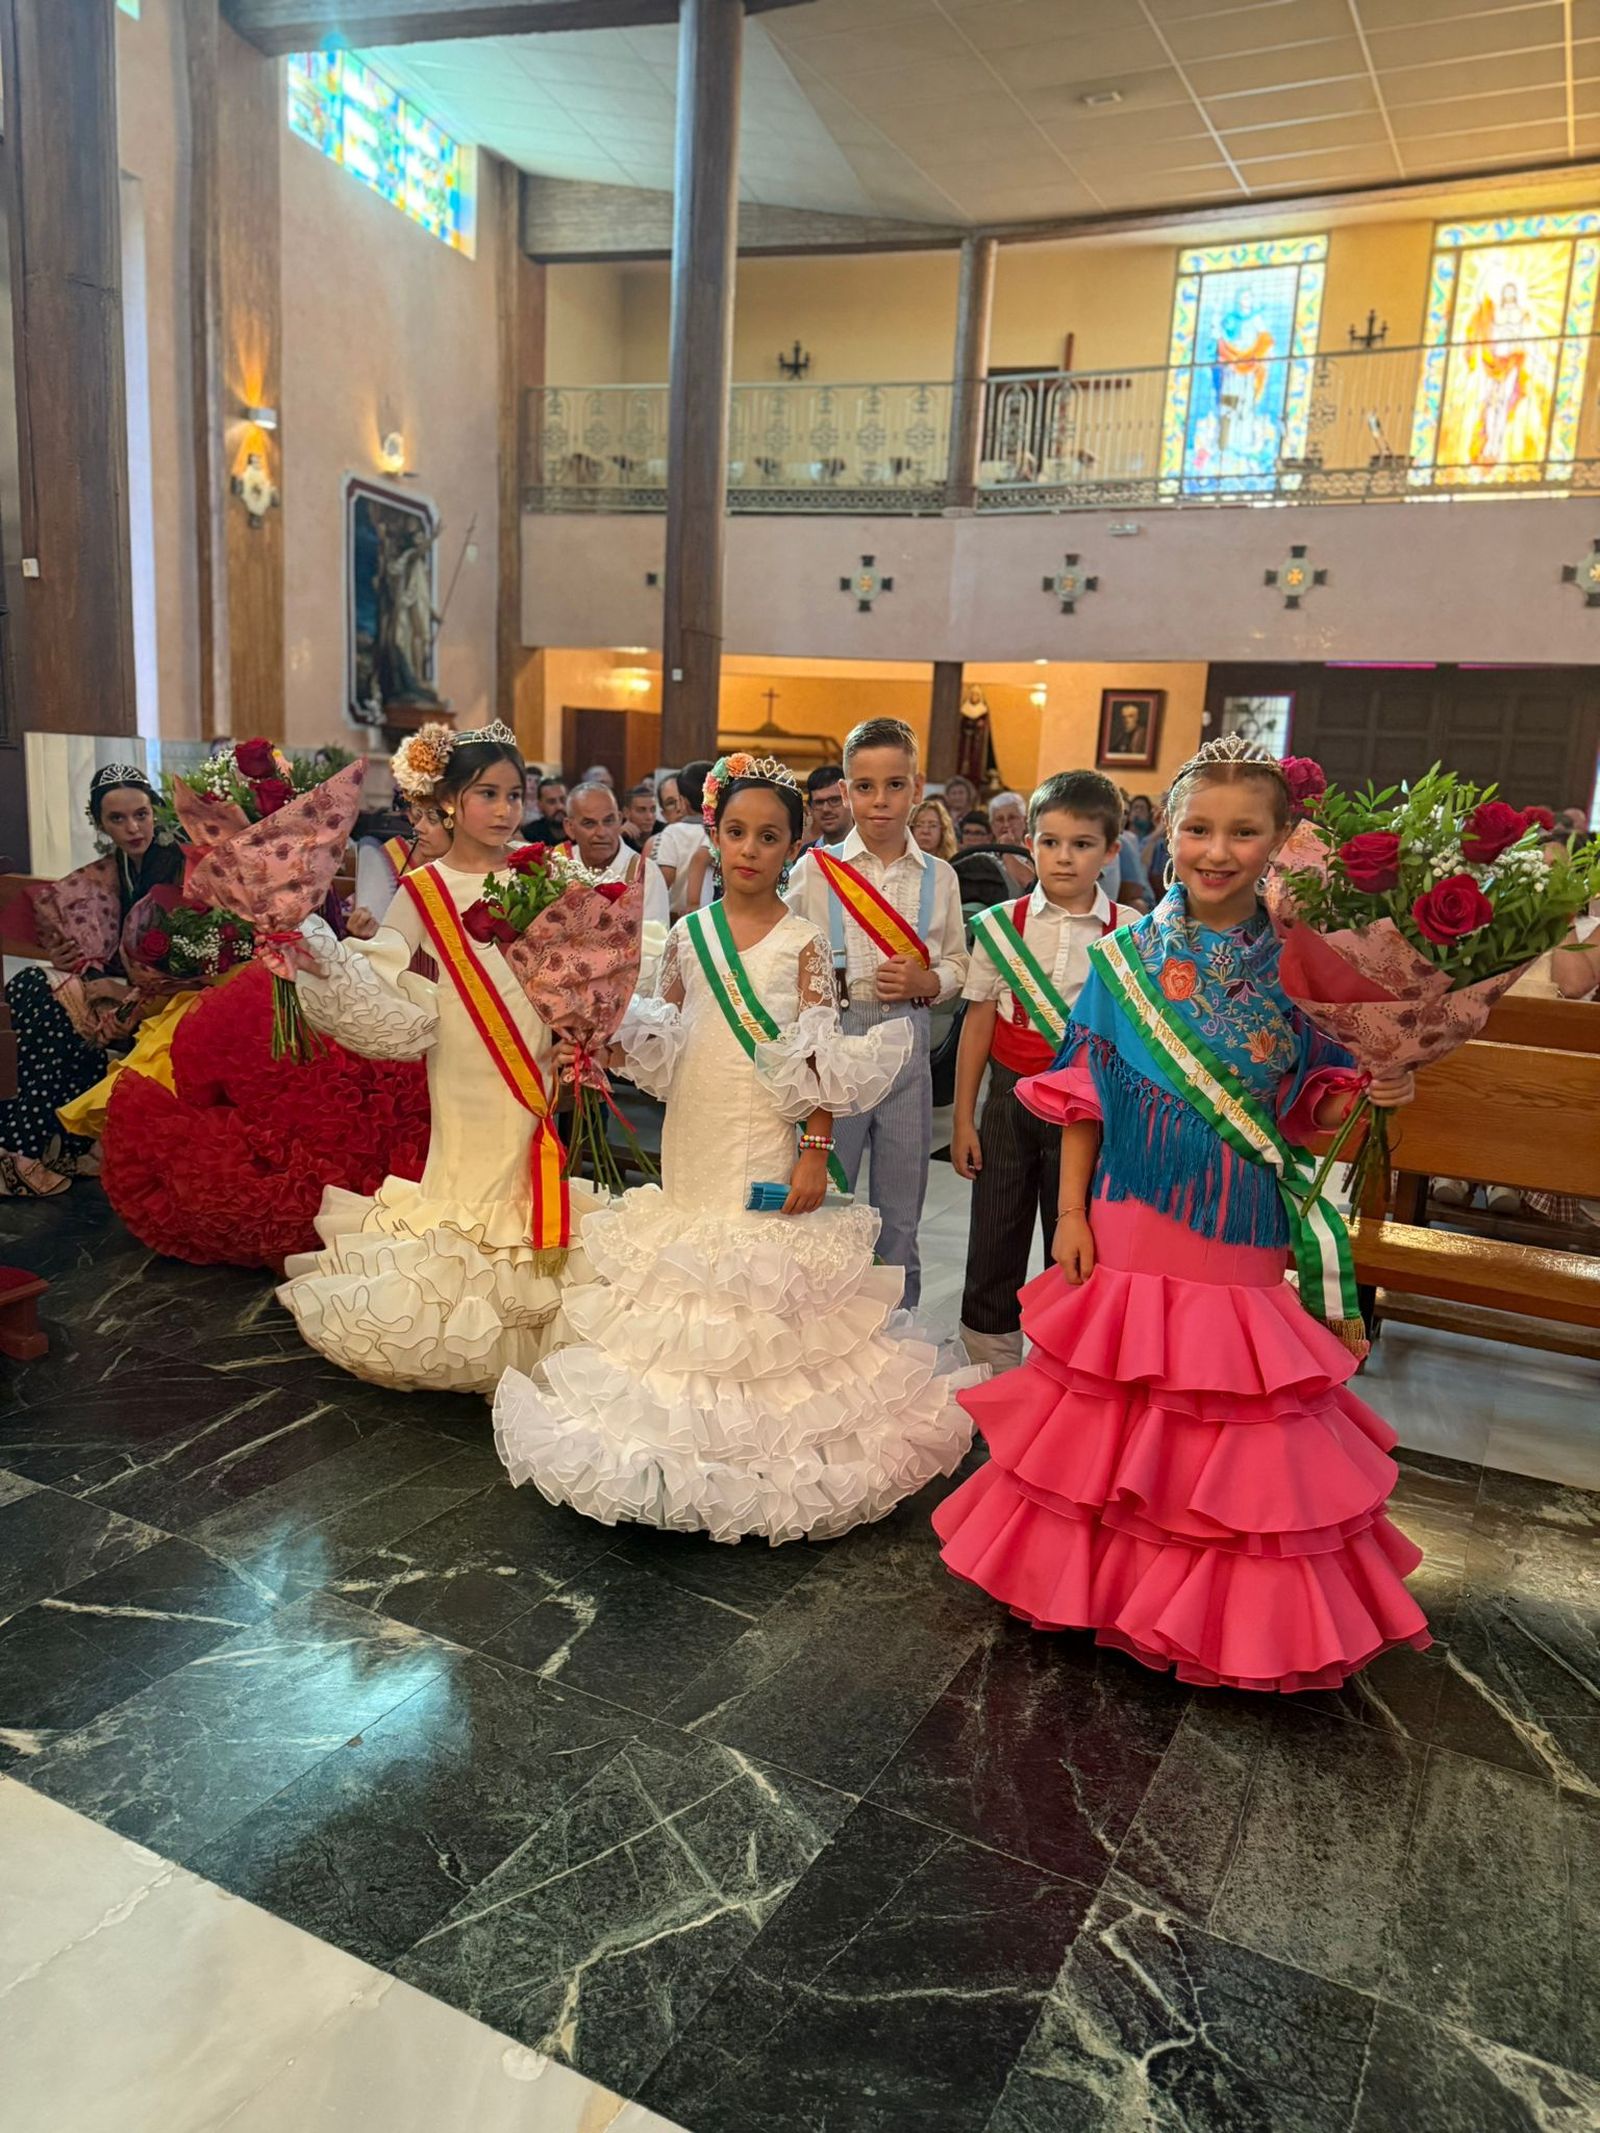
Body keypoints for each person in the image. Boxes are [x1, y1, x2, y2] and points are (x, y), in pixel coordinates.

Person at [934, 735, 1431, 1692]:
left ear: (1280, 840)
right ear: (1166, 831)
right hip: (1130, 1208)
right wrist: (1070, 1212)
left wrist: (1376, 1083)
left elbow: (1312, 1108)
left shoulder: (1305, 965)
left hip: (1241, 1215)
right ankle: (1099, 1589)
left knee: (1227, 1403)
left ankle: (1220, 1616)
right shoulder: (1123, 959)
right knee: (1117, 1403)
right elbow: (1086, 1095)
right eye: (1199, 828)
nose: (1217, 850)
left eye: (1244, 832)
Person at [494, 757, 973, 1542]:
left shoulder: (805, 942)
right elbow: (667, 1035)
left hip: (765, 1131)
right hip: (695, 1122)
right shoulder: (689, 934)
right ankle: (672, 1447)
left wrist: (815, 1147)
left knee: (757, 1277)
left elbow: (818, 1055)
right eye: (737, 832)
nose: (750, 849)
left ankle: (762, 1457)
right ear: (713, 836)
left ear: (793, 848)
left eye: (770, 836)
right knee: (686, 1275)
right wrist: (600, 1035)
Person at [278, 722, 601, 1392]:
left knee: (523, 1166)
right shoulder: (425, 886)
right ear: (450, 800)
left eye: (514, 794)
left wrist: (579, 1020)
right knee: (468, 1173)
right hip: (462, 1051)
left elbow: (575, 965)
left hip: (533, 1047)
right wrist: (322, 959)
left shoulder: (543, 870)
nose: (505, 809)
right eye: (488, 793)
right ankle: (461, 1331)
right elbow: (385, 964)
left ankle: (533, 1314)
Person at [952, 771, 1140, 1373]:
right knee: (994, 1238)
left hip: (1088, 1112)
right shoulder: (1001, 924)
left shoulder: (1129, 931)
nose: (1064, 857)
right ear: (1029, 843)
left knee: (1078, 1243)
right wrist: (963, 1118)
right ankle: (989, 1369)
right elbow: (978, 1021)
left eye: (1082, 844)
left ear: (1110, 850)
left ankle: (1065, 1372)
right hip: (1009, 1101)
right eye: (1051, 842)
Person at [785, 718, 966, 1309]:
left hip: (907, 1042)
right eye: (864, 787)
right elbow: (787, 955)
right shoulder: (815, 871)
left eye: (894, 785)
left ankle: (899, 1330)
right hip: (836, 1039)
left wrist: (930, 981)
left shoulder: (940, 877)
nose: (880, 800)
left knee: (900, 1208)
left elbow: (959, 963)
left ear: (917, 787)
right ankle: (818, 1323)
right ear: (844, 791)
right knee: (826, 1199)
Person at [0, 765, 184, 1197]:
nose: (132, 828)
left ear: (156, 812)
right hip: (116, 988)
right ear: (100, 824)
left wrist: (120, 991)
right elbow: (94, 944)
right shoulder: (108, 872)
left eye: (141, 814)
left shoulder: (179, 865)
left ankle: (20, 1150)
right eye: (117, 819)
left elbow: (189, 965)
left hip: (171, 997)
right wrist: (66, 957)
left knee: (41, 997)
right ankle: (56, 1147)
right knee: (33, 988)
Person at [559, 781, 670, 934]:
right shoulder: (556, 866)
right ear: (569, 827)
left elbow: (654, 942)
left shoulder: (646, 873)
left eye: (608, 821)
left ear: (619, 819)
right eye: (589, 823)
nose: (601, 832)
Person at [652, 759, 713, 916]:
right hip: (714, 913)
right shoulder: (719, 831)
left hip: (679, 915)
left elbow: (665, 878)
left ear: (683, 802)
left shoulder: (672, 833)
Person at [986, 790, 1036, 893]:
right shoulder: (984, 856)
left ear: (1025, 821)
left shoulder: (1034, 855)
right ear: (992, 825)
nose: (1006, 824)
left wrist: (1006, 849)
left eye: (1012, 818)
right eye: (999, 819)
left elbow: (1030, 884)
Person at [802, 763, 849, 851]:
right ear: (810, 808)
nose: (826, 809)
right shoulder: (803, 855)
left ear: (849, 801)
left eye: (834, 800)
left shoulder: (872, 850)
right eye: (819, 802)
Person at [523, 773, 568, 844]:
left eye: (563, 800)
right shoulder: (529, 833)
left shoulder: (580, 830)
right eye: (552, 802)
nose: (560, 806)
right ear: (540, 806)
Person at [622, 782, 662, 852]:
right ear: (626, 813)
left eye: (653, 810)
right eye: (641, 810)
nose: (649, 817)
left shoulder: (664, 833)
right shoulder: (619, 835)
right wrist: (617, 839)